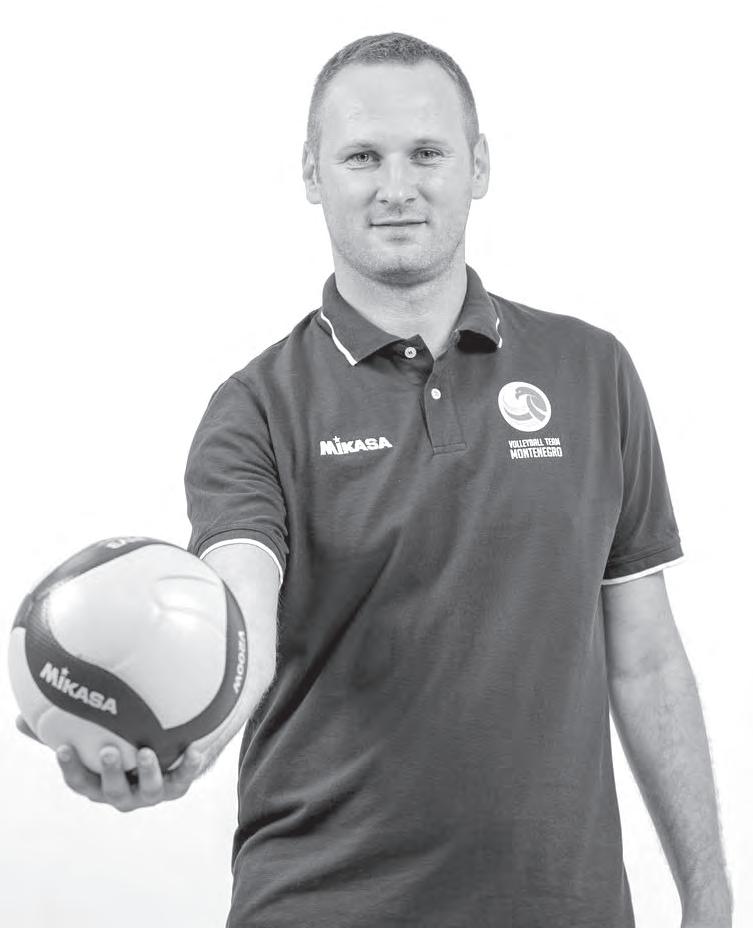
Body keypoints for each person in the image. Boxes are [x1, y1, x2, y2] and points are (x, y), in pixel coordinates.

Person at [19, 31, 732, 928]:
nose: (396, 186)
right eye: (362, 156)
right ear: (311, 173)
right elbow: (242, 618)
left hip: (568, 907)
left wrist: (709, 896)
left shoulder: (592, 371)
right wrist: (189, 746)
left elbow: (646, 655)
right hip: (323, 903)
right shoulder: (256, 407)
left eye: (426, 152)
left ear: (478, 166)